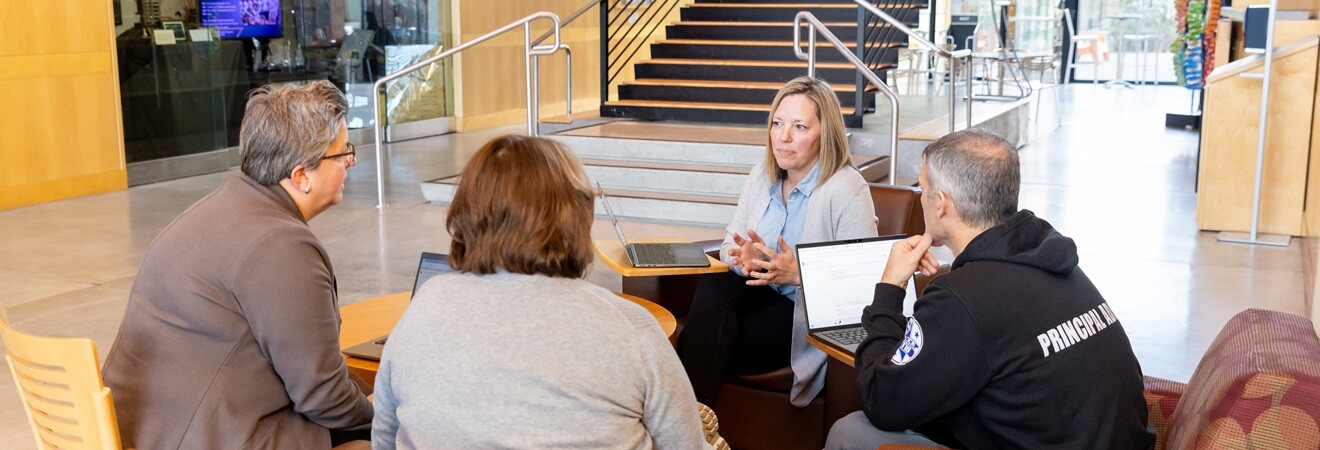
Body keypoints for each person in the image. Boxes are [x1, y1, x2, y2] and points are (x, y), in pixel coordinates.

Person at [825, 129, 1155, 449]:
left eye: (923, 190)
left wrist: (889, 288)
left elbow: (880, 400)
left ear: (940, 203)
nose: (923, 198)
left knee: (850, 431)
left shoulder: (963, 298)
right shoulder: (1051, 258)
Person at [371, 135, 706, 449]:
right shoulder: (630, 328)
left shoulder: (424, 306)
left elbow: (384, 437)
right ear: (576, 217)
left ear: (466, 214)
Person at [102, 81, 373, 449]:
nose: (350, 162)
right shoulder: (281, 245)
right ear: (301, 176)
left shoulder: (214, 211)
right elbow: (322, 395)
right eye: (342, 153)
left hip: (145, 431)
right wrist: (385, 417)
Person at [679, 76, 879, 407]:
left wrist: (798, 274)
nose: (783, 137)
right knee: (714, 288)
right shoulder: (762, 175)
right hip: (757, 297)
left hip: (802, 313)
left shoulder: (847, 190)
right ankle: (690, 426)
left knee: (699, 336)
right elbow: (732, 240)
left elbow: (865, 285)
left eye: (800, 127)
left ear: (823, 134)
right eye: (778, 124)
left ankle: (683, 426)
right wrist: (745, 257)